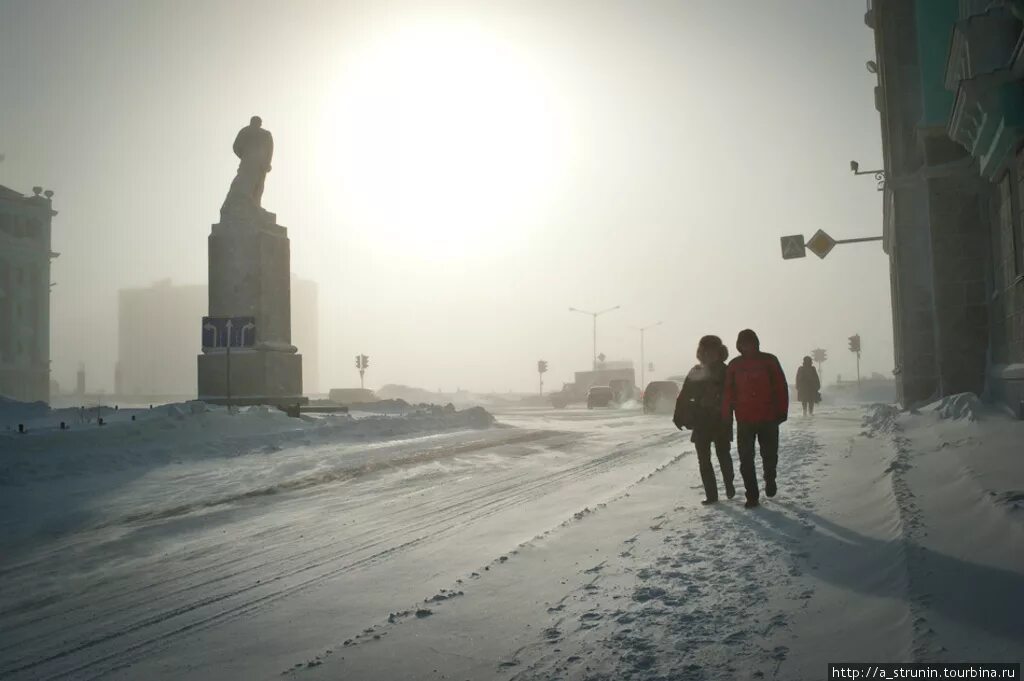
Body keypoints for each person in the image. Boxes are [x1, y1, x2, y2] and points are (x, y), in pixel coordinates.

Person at [722, 329, 788, 508]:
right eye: (743, 343)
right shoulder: (734, 365)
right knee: (746, 459)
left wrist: (782, 411)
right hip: (745, 419)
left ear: (755, 343)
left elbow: (781, 387)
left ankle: (770, 478)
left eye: (749, 342)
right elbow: (728, 392)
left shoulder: (769, 361)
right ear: (739, 345)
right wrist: (727, 415)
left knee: (769, 454)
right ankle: (752, 495)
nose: (747, 346)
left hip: (768, 417)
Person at [674, 335, 735, 504]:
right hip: (701, 420)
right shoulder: (696, 371)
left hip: (721, 420)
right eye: (703, 351)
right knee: (704, 459)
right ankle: (711, 495)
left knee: (723, 455)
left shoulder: (726, 371)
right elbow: (684, 395)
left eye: (711, 351)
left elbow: (734, 395)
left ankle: (729, 483)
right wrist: (678, 415)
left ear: (719, 352)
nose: (707, 355)